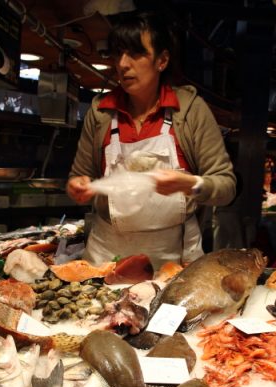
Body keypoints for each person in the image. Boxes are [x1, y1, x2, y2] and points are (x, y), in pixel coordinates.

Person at [66, 12, 236, 268]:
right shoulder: (101, 112)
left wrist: (191, 184)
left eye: (135, 53)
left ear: (162, 60)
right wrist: (77, 187)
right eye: (118, 53)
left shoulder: (188, 110)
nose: (122, 64)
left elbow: (226, 187)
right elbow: (79, 175)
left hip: (173, 255)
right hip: (107, 253)